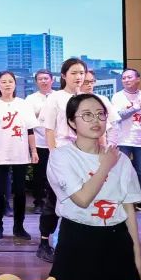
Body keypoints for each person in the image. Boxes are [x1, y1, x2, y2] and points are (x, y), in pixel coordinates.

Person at [47, 93, 141, 280]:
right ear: (72, 122)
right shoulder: (61, 157)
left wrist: (137, 254)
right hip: (77, 239)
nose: (96, 120)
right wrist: (104, 166)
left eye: (101, 114)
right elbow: (81, 199)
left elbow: (128, 208)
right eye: (87, 115)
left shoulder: (121, 159)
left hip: (115, 240)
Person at [36, 58, 87, 263]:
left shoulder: (87, 98)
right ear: (64, 76)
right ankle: (44, 243)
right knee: (54, 199)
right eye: (74, 73)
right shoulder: (55, 98)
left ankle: (73, 242)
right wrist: (55, 155)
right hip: (62, 155)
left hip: (83, 157)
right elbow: (49, 130)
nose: (78, 77)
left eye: (81, 73)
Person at [0, 71, 38, 240]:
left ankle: (19, 227)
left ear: (15, 84)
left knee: (20, 192)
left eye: (10, 81)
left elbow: (30, 130)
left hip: (20, 153)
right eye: (4, 82)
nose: (7, 84)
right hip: (1, 152)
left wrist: (34, 150)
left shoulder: (23, 104)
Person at [110, 69, 141, 214]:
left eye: (129, 77)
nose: (126, 80)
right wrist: (136, 107)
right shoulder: (117, 97)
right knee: (122, 171)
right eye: (124, 78)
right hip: (123, 140)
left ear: (138, 79)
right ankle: (121, 201)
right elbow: (118, 116)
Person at [25, 69, 54, 212]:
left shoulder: (59, 96)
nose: (43, 81)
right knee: (39, 174)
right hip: (39, 142)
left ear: (52, 80)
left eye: (46, 78)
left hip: (56, 143)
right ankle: (38, 202)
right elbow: (27, 120)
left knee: (55, 174)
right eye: (40, 79)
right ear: (36, 82)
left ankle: (54, 202)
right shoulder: (30, 99)